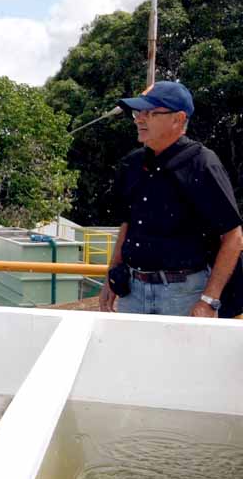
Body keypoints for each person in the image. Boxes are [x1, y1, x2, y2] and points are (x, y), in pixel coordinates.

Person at [99, 81, 243, 317]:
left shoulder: (203, 164)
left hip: (185, 294)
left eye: (149, 113)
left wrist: (209, 300)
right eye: (137, 113)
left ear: (178, 119)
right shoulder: (132, 164)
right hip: (132, 293)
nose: (139, 119)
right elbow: (127, 224)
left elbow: (233, 237)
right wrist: (111, 276)